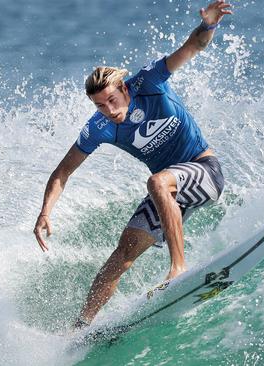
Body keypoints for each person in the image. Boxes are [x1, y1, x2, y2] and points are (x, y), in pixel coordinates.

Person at [33, 0, 232, 328]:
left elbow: (194, 45)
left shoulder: (150, 81)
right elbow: (62, 172)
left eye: (112, 100)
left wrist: (208, 25)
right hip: (169, 191)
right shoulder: (100, 127)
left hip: (205, 171)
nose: (109, 110)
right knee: (121, 254)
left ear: (124, 89)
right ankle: (80, 328)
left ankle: (178, 269)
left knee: (157, 182)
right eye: (100, 106)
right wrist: (45, 212)